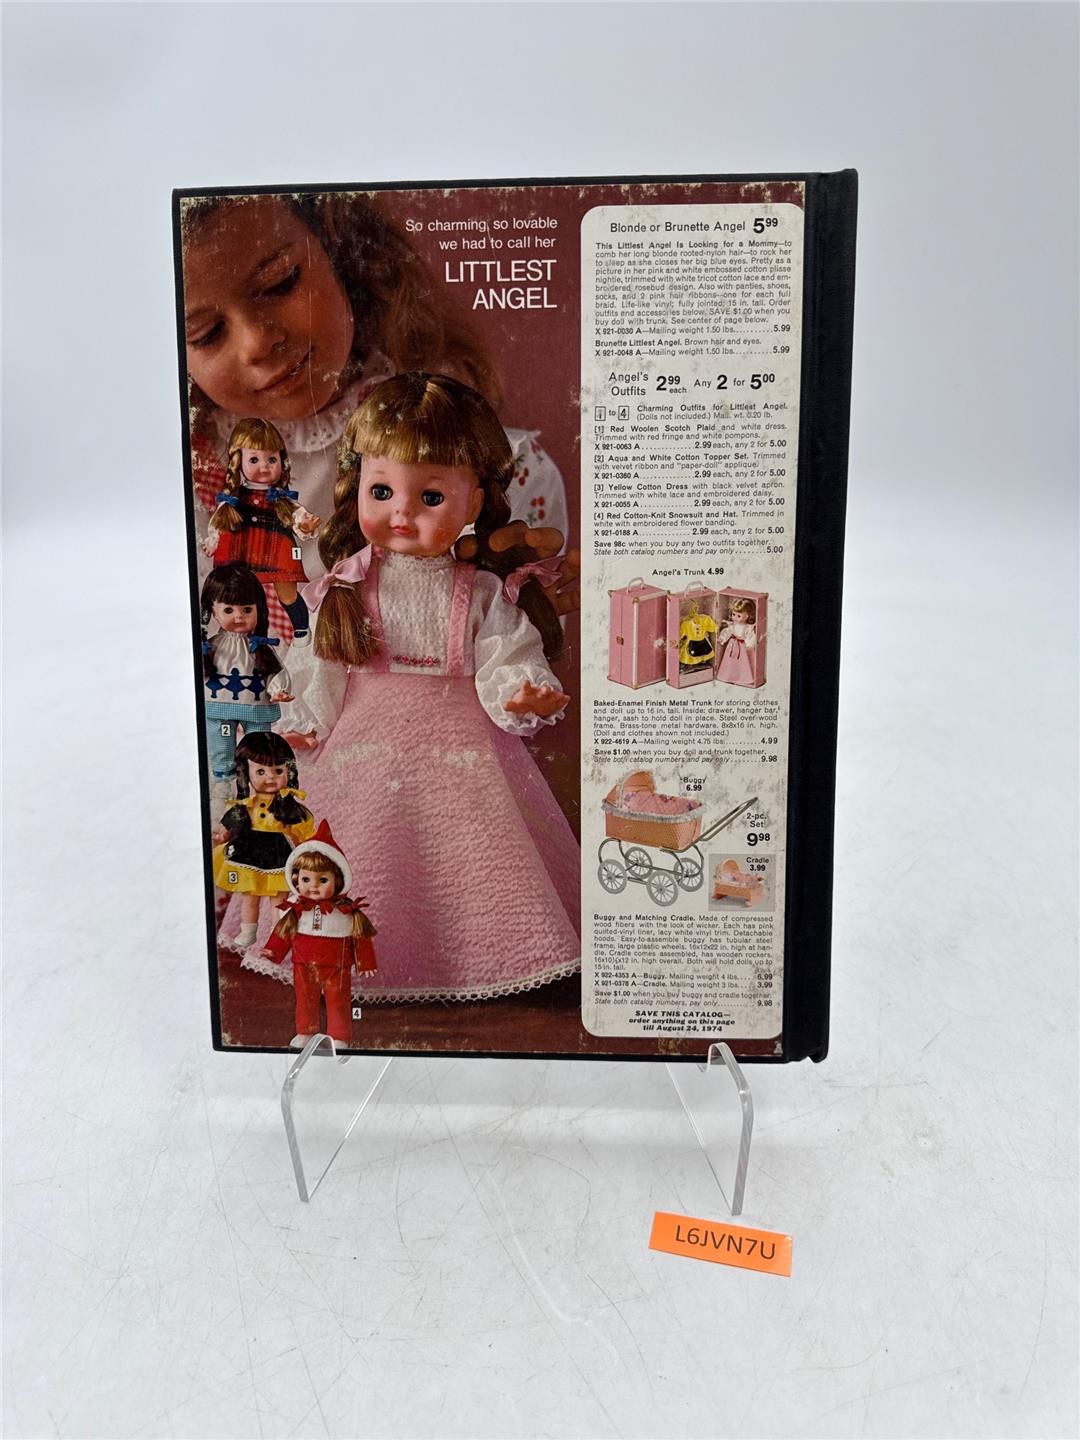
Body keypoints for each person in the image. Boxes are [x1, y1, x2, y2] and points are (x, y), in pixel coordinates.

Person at [238, 373, 580, 1002]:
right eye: (382, 491)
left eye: (430, 497)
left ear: (473, 504)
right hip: (364, 744)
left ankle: (477, 956)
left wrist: (520, 691)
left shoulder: (481, 592)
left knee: (474, 856)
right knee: (363, 850)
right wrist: (306, 720)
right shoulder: (346, 586)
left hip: (462, 747)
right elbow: (322, 664)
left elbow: (506, 653)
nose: (401, 512)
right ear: (357, 488)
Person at [179, 192, 577, 639]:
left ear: (338, 249)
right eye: (206, 333)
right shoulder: (191, 487)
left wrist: (521, 610)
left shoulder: (497, 468)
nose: (256, 342)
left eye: (281, 283)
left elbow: (519, 660)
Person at [259, 821, 377, 1050]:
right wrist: (272, 950)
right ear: (296, 879)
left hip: (337, 966)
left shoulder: (346, 911)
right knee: (305, 999)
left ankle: (339, 1036)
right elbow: (284, 932)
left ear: (337, 880)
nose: (313, 886)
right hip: (303, 965)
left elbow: (361, 937)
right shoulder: (295, 910)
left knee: (338, 1001)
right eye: (306, 880)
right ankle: (306, 1031)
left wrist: (366, 962)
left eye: (322, 880)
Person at [212, 733, 316, 949]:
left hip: (279, 857)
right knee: (250, 898)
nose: (270, 778)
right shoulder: (245, 806)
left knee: (279, 900)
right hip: (249, 855)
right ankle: (248, 932)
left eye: (278, 771)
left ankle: (276, 936)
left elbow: (304, 834)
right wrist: (221, 836)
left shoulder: (290, 808)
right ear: (245, 773)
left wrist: (306, 849)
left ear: (289, 771)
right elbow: (228, 827)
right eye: (260, 771)